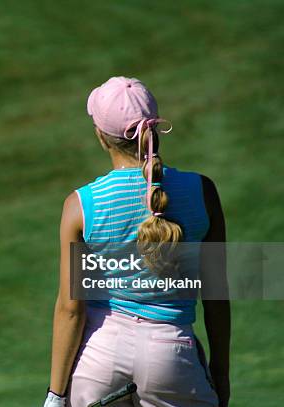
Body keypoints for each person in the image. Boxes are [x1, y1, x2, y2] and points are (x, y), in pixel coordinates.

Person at [43, 77, 231, 407]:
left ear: (102, 137)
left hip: (99, 357)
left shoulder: (81, 206)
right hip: (173, 356)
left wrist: (56, 396)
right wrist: (221, 372)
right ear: (155, 131)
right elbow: (216, 294)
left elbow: (71, 309)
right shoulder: (203, 192)